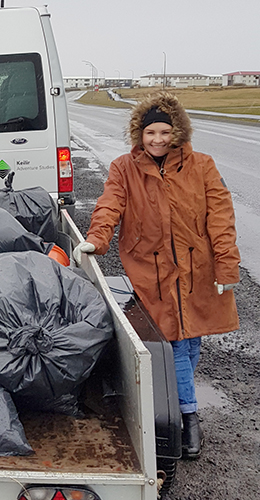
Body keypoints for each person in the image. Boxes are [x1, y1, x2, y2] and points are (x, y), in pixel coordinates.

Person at [73, 92, 240, 459]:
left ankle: (178, 399)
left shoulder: (203, 166)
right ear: (140, 134)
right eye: (151, 133)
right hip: (153, 273)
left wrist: (227, 264)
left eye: (165, 132)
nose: (158, 140)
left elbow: (221, 218)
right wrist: (95, 240)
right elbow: (109, 205)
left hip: (198, 272)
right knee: (174, 344)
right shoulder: (124, 168)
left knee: (191, 340)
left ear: (177, 132)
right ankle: (187, 418)